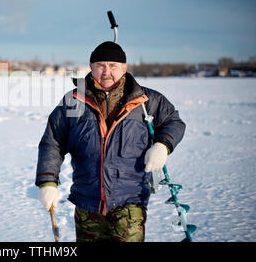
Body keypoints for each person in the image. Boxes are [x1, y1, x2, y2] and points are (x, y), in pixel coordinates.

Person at [35, 41, 186, 242]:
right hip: (87, 205)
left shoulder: (146, 100)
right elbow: (52, 141)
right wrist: (47, 181)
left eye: (113, 66)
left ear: (124, 68)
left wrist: (162, 145)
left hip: (130, 204)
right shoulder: (73, 102)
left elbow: (173, 121)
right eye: (100, 65)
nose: (106, 71)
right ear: (91, 68)